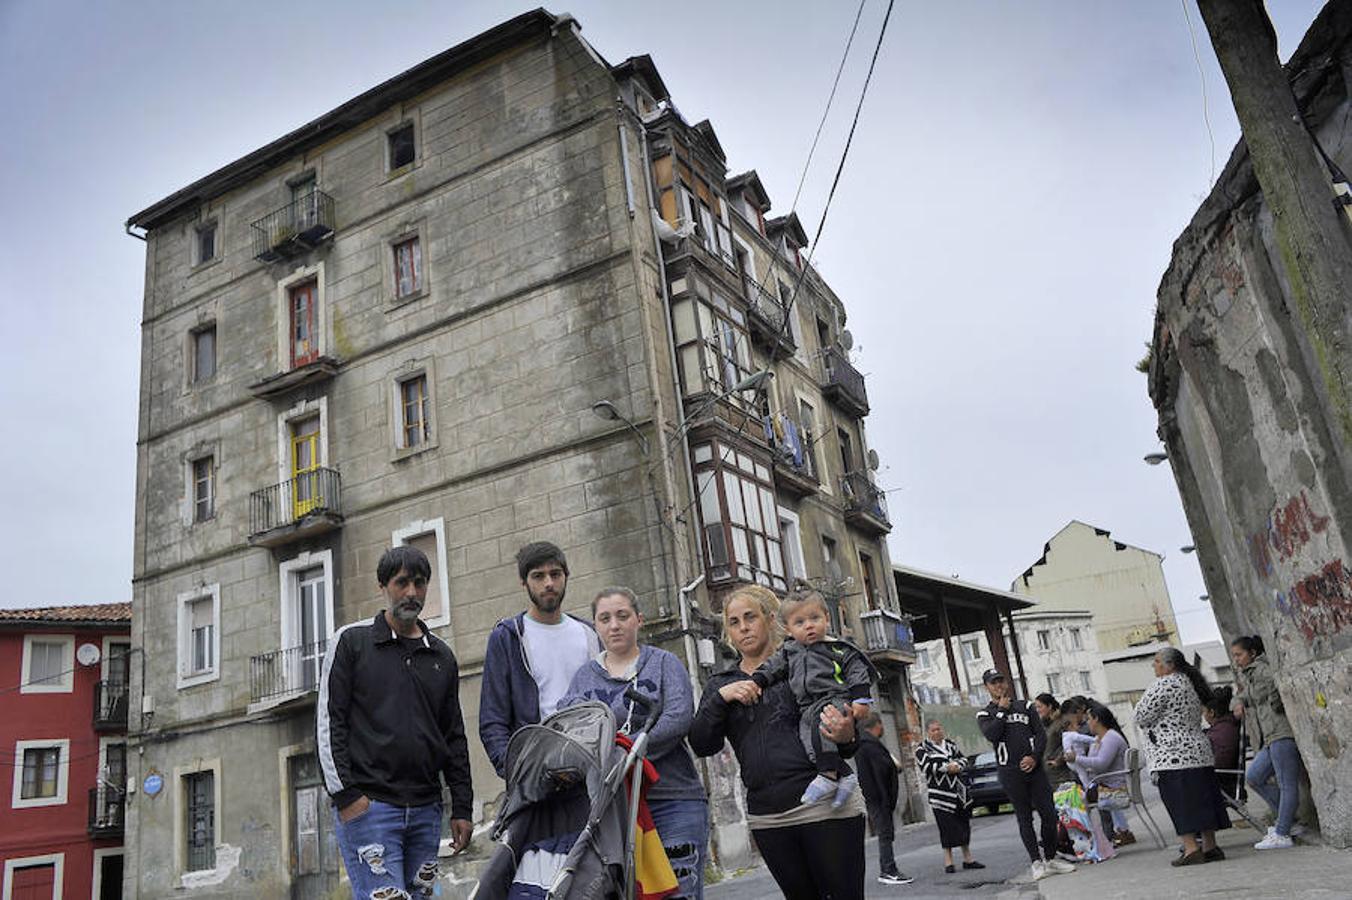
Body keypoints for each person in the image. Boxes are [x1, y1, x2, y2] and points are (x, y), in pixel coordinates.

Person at [690, 584, 876, 898]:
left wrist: (847, 733)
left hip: (823, 805)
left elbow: (844, 736)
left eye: (751, 617)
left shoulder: (803, 661)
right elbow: (702, 744)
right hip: (768, 815)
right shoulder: (721, 684)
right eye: (734, 622)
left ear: (770, 618)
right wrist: (721, 699)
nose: (744, 627)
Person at [318, 545, 473, 899]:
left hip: (425, 812)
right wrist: (347, 797)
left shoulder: (441, 656)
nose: (411, 592)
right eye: (402, 582)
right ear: (383, 586)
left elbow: (453, 736)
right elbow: (329, 724)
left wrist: (461, 806)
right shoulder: (351, 642)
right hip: (370, 810)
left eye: (419, 583)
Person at [557, 587, 708, 898]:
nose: (614, 625)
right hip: (615, 812)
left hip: (673, 801)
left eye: (622, 616)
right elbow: (569, 727)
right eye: (605, 618)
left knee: (679, 892)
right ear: (596, 627)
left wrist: (626, 746)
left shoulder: (664, 663)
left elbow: (678, 718)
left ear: (639, 620)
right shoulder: (584, 679)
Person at [479, 541, 601, 777]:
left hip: (590, 769)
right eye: (538, 576)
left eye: (555, 574)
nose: (549, 583)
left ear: (566, 576)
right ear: (524, 582)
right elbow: (492, 720)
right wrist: (518, 772)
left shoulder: (590, 633)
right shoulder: (508, 637)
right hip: (536, 771)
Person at [749, 589, 876, 807]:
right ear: (788, 629)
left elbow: (857, 671)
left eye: (814, 618)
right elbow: (773, 667)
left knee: (822, 731)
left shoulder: (838, 648)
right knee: (809, 742)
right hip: (806, 707)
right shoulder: (790, 651)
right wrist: (757, 680)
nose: (808, 625)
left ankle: (828, 776)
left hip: (834, 699)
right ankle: (845, 775)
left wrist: (861, 699)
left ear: (827, 618)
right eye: (799, 622)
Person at [1133, 647, 1230, 867]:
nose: (1153, 666)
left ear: (1169, 665)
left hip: (1172, 755)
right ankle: (1210, 846)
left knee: (1181, 803)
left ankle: (1191, 849)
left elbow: (1140, 715)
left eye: (1157, 661)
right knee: (1202, 801)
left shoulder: (1164, 684)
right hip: (1198, 753)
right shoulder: (1191, 683)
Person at [976, 668, 1075, 881]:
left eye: (1001, 681)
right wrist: (1002, 711)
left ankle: (1050, 857)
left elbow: (1040, 735)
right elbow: (992, 735)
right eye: (994, 683)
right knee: (1024, 817)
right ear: (987, 687)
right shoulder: (985, 714)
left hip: (1035, 770)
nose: (999, 686)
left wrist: (1033, 757)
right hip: (1010, 772)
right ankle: (1036, 862)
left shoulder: (1026, 706)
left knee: (1049, 814)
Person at [1231, 635, 1305, 850]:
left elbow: (1276, 688)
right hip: (1270, 736)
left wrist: (1272, 701)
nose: (1236, 659)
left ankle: (1283, 833)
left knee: (1286, 783)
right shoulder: (1251, 674)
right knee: (1254, 777)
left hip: (1282, 732)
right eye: (1234, 655)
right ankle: (1289, 822)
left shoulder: (1262, 670)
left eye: (1239, 654)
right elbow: (1246, 695)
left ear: (1252, 653)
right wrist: (1239, 702)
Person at [914, 719, 985, 875]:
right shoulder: (922, 748)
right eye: (933, 730)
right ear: (928, 732)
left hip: (959, 792)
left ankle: (968, 859)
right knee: (946, 827)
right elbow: (926, 766)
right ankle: (948, 862)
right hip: (940, 795)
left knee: (963, 824)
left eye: (939, 729)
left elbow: (964, 759)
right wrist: (947, 767)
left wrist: (958, 766)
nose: (937, 732)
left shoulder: (951, 744)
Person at [856, 712, 919, 884]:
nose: (883, 728)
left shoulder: (865, 745)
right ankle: (888, 870)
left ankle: (888, 868)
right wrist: (886, 800)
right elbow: (882, 771)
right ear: (876, 725)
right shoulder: (870, 746)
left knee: (886, 834)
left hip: (875, 798)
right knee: (885, 834)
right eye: (881, 724)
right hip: (878, 799)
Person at [1066, 704, 1134, 846]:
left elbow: (1101, 763)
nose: (1087, 722)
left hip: (1112, 786)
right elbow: (1094, 763)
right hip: (1106, 783)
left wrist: (1076, 759)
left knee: (1072, 800)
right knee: (1073, 795)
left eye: (1089, 719)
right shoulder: (1100, 739)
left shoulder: (1110, 738)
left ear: (1097, 719)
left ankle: (1087, 841)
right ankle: (1121, 831)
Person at [1203, 686, 1243, 802]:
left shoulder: (1221, 733)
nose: (1203, 715)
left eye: (1204, 711)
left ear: (1211, 713)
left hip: (1222, 786)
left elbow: (1220, 763)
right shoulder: (1227, 726)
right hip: (1224, 781)